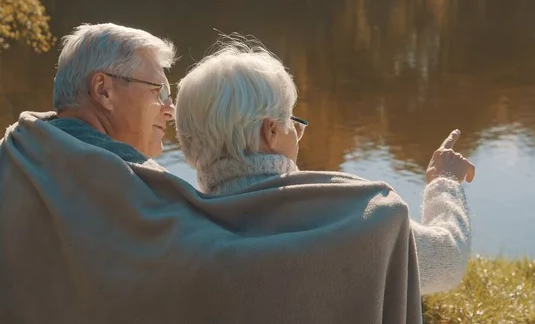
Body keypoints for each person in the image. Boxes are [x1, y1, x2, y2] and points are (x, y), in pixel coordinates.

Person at [0, 23, 423, 324]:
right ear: (103, 90)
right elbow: (208, 268)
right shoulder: (119, 183)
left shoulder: (20, 157)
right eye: (158, 91)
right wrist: (374, 224)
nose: (169, 109)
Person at [175, 36, 476, 295]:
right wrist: (444, 181)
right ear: (271, 131)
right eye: (293, 121)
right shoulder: (356, 212)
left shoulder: (171, 228)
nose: (298, 135)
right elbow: (447, 261)